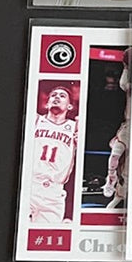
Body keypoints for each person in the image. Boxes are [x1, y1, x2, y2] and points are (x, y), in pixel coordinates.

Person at [30, 86, 78, 223]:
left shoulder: (75, 126)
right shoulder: (35, 120)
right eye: (53, 95)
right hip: (30, 185)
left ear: (69, 106)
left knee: (44, 234)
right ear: (47, 103)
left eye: (62, 96)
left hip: (54, 192)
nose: (57, 97)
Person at [103, 47, 131, 202]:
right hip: (128, 126)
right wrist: (126, 67)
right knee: (115, 155)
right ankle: (110, 178)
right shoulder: (131, 89)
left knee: (126, 167)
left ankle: (119, 184)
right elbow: (123, 85)